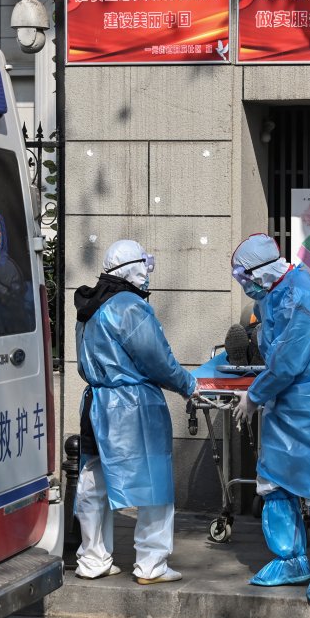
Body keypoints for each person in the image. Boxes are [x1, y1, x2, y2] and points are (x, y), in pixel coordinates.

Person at [230, 233, 310, 602]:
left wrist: (254, 396)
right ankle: (291, 560)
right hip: (290, 403)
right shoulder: (279, 293)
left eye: (245, 277)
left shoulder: (298, 296)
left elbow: (288, 360)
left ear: (262, 270)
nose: (246, 285)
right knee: (274, 483)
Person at [72, 239, 199, 585]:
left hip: (96, 404)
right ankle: (151, 564)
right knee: (154, 483)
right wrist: (190, 384)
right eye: (145, 264)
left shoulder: (88, 306)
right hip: (132, 407)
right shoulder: (129, 307)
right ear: (133, 269)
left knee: (93, 481)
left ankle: (92, 558)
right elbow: (157, 359)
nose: (148, 273)